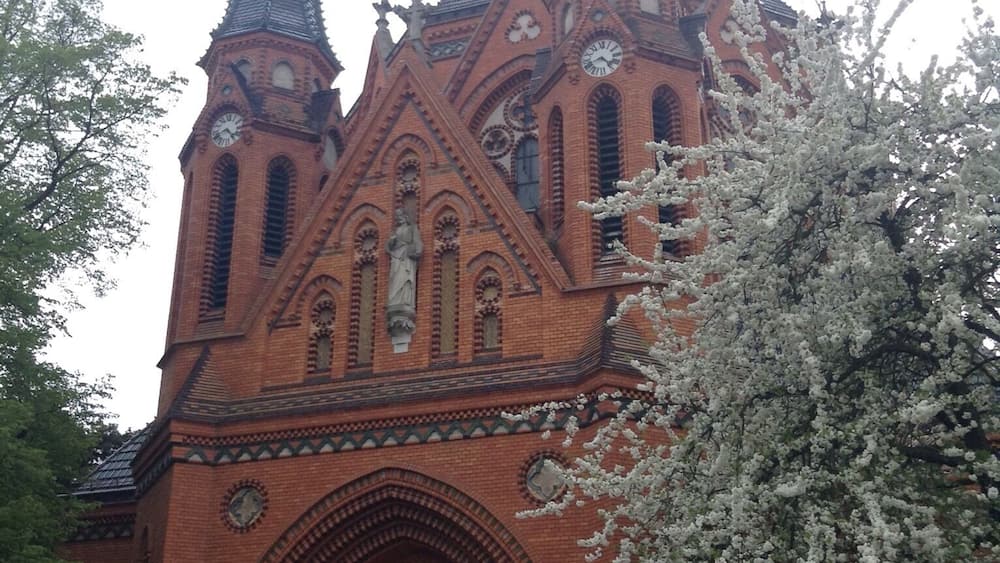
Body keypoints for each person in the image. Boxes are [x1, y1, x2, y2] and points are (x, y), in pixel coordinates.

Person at [386, 209, 422, 310]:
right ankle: (395, 300)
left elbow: (417, 241)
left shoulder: (412, 228)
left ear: (405, 217)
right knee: (396, 277)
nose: (399, 218)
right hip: (396, 257)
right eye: (397, 217)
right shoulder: (395, 231)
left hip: (406, 256)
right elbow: (388, 247)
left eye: (400, 216)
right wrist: (392, 241)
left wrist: (417, 252)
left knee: (405, 277)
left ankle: (406, 299)